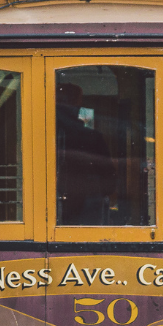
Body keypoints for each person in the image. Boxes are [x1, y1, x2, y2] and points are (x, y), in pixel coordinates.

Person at [55, 83, 115, 224]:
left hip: (62, 197)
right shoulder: (92, 137)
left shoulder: (46, 136)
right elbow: (108, 174)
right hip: (88, 197)